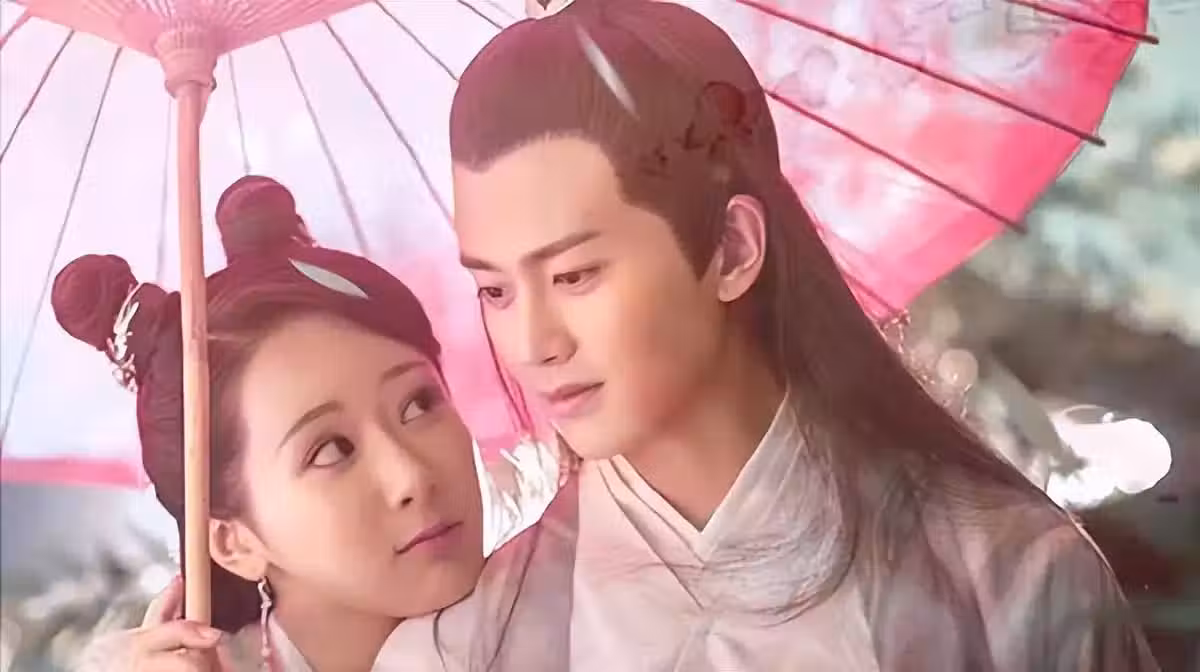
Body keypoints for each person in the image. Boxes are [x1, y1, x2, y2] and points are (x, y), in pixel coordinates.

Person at [446, 0, 1159, 669]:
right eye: (495, 291)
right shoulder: (471, 649)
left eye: (574, 275)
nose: (533, 344)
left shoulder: (1015, 584)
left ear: (731, 247)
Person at [63, 177, 572, 671]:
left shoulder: (576, 599)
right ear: (234, 542)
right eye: (331, 450)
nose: (412, 478)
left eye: (418, 405)